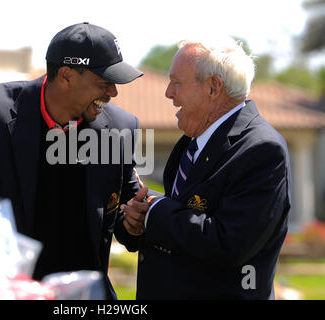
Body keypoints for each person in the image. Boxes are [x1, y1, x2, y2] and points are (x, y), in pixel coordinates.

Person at [0, 22, 147, 299]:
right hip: (5, 293)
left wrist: (134, 219)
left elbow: (127, 209)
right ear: (66, 76)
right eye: (104, 82)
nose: (113, 92)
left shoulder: (120, 127)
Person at [122, 37, 291, 299]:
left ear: (214, 87)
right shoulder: (192, 140)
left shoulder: (262, 150)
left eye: (176, 82)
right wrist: (140, 224)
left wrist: (155, 211)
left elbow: (229, 244)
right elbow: (183, 224)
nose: (168, 93)